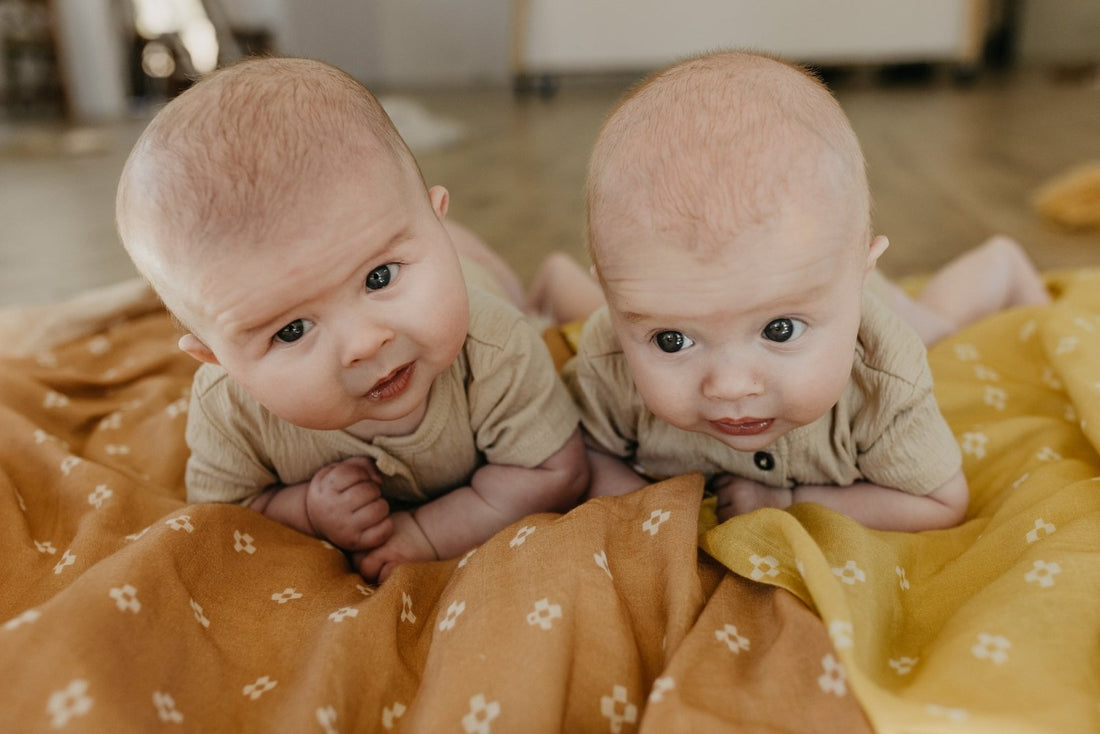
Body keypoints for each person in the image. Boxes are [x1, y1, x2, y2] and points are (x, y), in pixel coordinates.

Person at [115, 57, 589, 582]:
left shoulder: (496, 346)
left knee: (535, 307)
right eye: (291, 330)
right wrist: (303, 509)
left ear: (435, 219)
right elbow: (227, 512)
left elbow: (554, 471)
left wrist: (426, 533)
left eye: (380, 277)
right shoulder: (230, 413)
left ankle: (549, 276)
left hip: (479, 279)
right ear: (217, 360)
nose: (364, 344)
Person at [560, 49, 1012, 532]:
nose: (732, 387)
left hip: (877, 303)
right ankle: (557, 277)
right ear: (612, 299)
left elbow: (940, 503)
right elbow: (588, 450)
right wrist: (633, 506)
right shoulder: (609, 356)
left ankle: (1002, 263)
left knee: (937, 323)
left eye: (780, 330)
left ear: (857, 274)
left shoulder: (886, 381)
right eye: (672, 339)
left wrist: (788, 501)